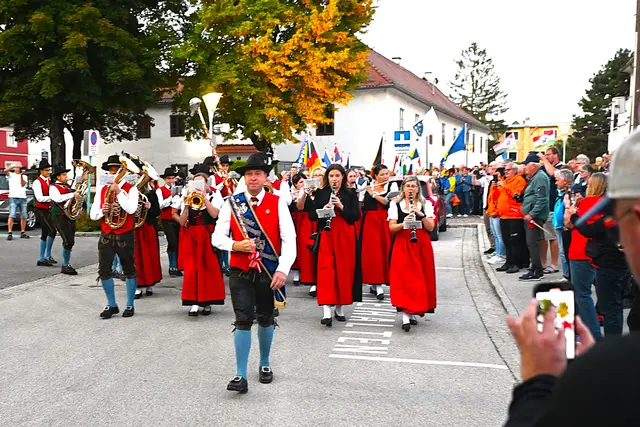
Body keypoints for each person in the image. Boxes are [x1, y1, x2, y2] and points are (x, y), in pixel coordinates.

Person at [503, 128, 640, 427]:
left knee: (595, 299)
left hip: (587, 259)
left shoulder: (621, 367)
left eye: (618, 219)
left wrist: (540, 379)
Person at [212, 152, 296, 393]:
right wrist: (234, 245)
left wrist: (282, 270)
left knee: (266, 317)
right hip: (240, 270)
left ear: (265, 177)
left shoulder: (278, 201)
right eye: (249, 174)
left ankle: (265, 363)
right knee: (242, 319)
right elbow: (217, 237)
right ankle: (240, 375)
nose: (253, 178)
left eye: (258, 174)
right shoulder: (233, 203)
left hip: (268, 272)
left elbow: (289, 239)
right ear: (245, 178)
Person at [570, 173, 629, 337]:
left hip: (608, 262)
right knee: (612, 305)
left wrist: (573, 215)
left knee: (609, 307)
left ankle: (609, 344)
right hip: (613, 262)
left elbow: (589, 229)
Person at [309, 164, 361, 327]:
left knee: (343, 271)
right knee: (326, 270)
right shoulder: (321, 193)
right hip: (327, 234)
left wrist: (340, 206)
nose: (334, 179)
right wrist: (323, 209)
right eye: (331, 176)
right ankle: (326, 311)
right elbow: (311, 216)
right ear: (327, 178)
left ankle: (339, 307)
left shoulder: (351, 193)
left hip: (345, 235)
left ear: (343, 178)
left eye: (337, 176)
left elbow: (354, 217)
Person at [89, 154, 140, 319]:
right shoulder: (102, 189)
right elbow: (93, 214)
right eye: (111, 169)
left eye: (116, 169)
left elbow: (131, 209)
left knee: (129, 269)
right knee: (104, 270)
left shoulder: (131, 189)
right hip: (107, 233)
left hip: (124, 234)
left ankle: (130, 304)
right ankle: (111, 304)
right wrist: (101, 211)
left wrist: (118, 192)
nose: (113, 173)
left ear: (124, 170)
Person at [388, 176, 436, 332]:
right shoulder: (396, 204)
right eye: (408, 186)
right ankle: (405, 315)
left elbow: (430, 227)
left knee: (419, 278)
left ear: (418, 189)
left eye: (414, 186)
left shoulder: (425, 204)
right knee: (405, 278)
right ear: (403, 188)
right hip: (403, 242)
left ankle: (413, 310)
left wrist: (420, 213)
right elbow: (392, 228)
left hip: (421, 243)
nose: (411, 189)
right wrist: (404, 223)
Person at [177, 163, 225, 316]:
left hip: (208, 235)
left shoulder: (214, 194)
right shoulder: (187, 196)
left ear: (206, 183)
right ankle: (194, 302)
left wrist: (204, 199)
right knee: (191, 269)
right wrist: (185, 205)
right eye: (195, 182)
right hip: (191, 236)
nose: (197, 185)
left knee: (208, 269)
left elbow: (214, 215)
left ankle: (207, 302)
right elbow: (182, 221)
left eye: (201, 182)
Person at [563, 173, 607, 339]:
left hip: (580, 251)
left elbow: (568, 223)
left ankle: (591, 333)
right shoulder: (606, 205)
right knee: (600, 293)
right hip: (600, 252)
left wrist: (570, 208)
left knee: (582, 294)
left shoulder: (587, 203)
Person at [359, 164, 391, 300]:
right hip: (370, 222)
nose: (386, 176)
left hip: (384, 220)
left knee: (384, 250)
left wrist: (373, 194)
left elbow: (386, 202)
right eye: (382, 174)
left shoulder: (391, 186)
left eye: (387, 173)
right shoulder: (368, 185)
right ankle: (374, 283)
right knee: (372, 252)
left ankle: (379, 283)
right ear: (376, 176)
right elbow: (361, 205)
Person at [519, 153, 550, 281]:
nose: (525, 167)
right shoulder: (535, 177)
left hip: (534, 217)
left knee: (533, 243)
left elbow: (542, 198)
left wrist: (532, 213)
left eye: (526, 164)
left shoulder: (540, 178)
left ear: (533, 165)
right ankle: (534, 268)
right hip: (531, 215)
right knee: (531, 243)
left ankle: (537, 270)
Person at [497, 161, 529, 274]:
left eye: (508, 170)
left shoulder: (519, 180)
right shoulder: (505, 181)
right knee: (506, 240)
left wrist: (504, 186)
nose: (506, 172)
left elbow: (516, 195)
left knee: (515, 240)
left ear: (515, 170)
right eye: (505, 170)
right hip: (504, 215)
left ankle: (517, 263)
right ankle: (509, 262)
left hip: (514, 215)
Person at [133, 176, 163, 299]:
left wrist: (149, 207)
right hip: (135, 227)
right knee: (136, 256)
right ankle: (138, 286)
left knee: (149, 255)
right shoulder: (131, 192)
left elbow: (157, 212)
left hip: (147, 227)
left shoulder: (151, 193)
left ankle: (150, 284)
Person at [49, 166, 80, 275]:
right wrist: (72, 194)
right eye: (63, 175)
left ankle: (67, 264)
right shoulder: (53, 187)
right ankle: (65, 265)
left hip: (69, 215)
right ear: (58, 177)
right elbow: (58, 198)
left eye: (66, 174)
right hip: (59, 215)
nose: (66, 176)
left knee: (70, 241)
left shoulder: (67, 186)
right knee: (68, 240)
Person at [538, 147, 564, 275]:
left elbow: (553, 173)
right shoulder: (544, 167)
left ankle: (554, 264)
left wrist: (543, 160)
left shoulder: (562, 167)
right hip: (544, 207)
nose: (546, 157)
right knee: (543, 236)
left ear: (556, 155)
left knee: (552, 237)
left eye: (548, 155)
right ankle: (542, 262)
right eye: (545, 155)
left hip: (554, 206)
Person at [157, 167, 182, 276]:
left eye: (173, 178)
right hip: (166, 219)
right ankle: (172, 265)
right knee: (172, 242)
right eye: (169, 178)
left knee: (178, 242)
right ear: (165, 179)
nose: (171, 181)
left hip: (177, 218)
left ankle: (177, 265)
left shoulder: (179, 188)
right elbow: (160, 205)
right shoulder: (160, 190)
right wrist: (171, 197)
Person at [32, 159, 57, 266]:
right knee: (52, 231)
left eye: (49, 170)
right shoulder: (37, 182)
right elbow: (40, 198)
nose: (48, 172)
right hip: (40, 209)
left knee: (46, 232)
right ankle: (44, 256)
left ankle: (44, 257)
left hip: (48, 209)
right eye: (46, 170)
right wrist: (53, 198)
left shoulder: (48, 180)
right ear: (41, 171)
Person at [552, 169, 574, 280]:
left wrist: (567, 223)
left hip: (566, 227)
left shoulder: (571, 194)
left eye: (557, 180)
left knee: (566, 253)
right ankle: (566, 275)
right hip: (560, 226)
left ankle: (570, 276)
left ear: (565, 181)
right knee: (563, 253)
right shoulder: (561, 193)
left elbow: (570, 209)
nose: (556, 183)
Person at [486, 167, 506, 265]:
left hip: (497, 212)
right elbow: (491, 197)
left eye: (497, 175)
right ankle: (498, 253)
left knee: (499, 235)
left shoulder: (503, 184)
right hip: (492, 211)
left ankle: (501, 255)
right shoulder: (495, 184)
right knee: (495, 235)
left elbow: (499, 198)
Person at [4, 163, 29, 240]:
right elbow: (5, 170)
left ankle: (23, 232)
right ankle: (10, 232)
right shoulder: (11, 175)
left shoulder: (24, 176)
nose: (18, 169)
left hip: (22, 197)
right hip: (13, 197)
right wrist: (13, 166)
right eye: (16, 168)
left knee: (24, 216)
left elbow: (22, 184)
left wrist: (21, 175)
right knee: (12, 215)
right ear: (14, 168)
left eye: (19, 168)